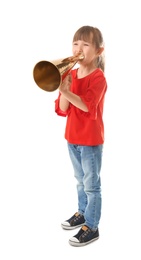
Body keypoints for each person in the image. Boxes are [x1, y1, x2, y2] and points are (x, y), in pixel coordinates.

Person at [55, 25, 107, 247]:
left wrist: (67, 91)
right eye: (76, 43)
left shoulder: (98, 78)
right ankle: (83, 213)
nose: (79, 48)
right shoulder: (71, 73)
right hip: (72, 139)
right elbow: (63, 109)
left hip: (90, 141)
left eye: (86, 44)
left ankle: (92, 226)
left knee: (91, 185)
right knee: (80, 181)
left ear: (98, 51)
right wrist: (62, 88)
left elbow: (87, 106)